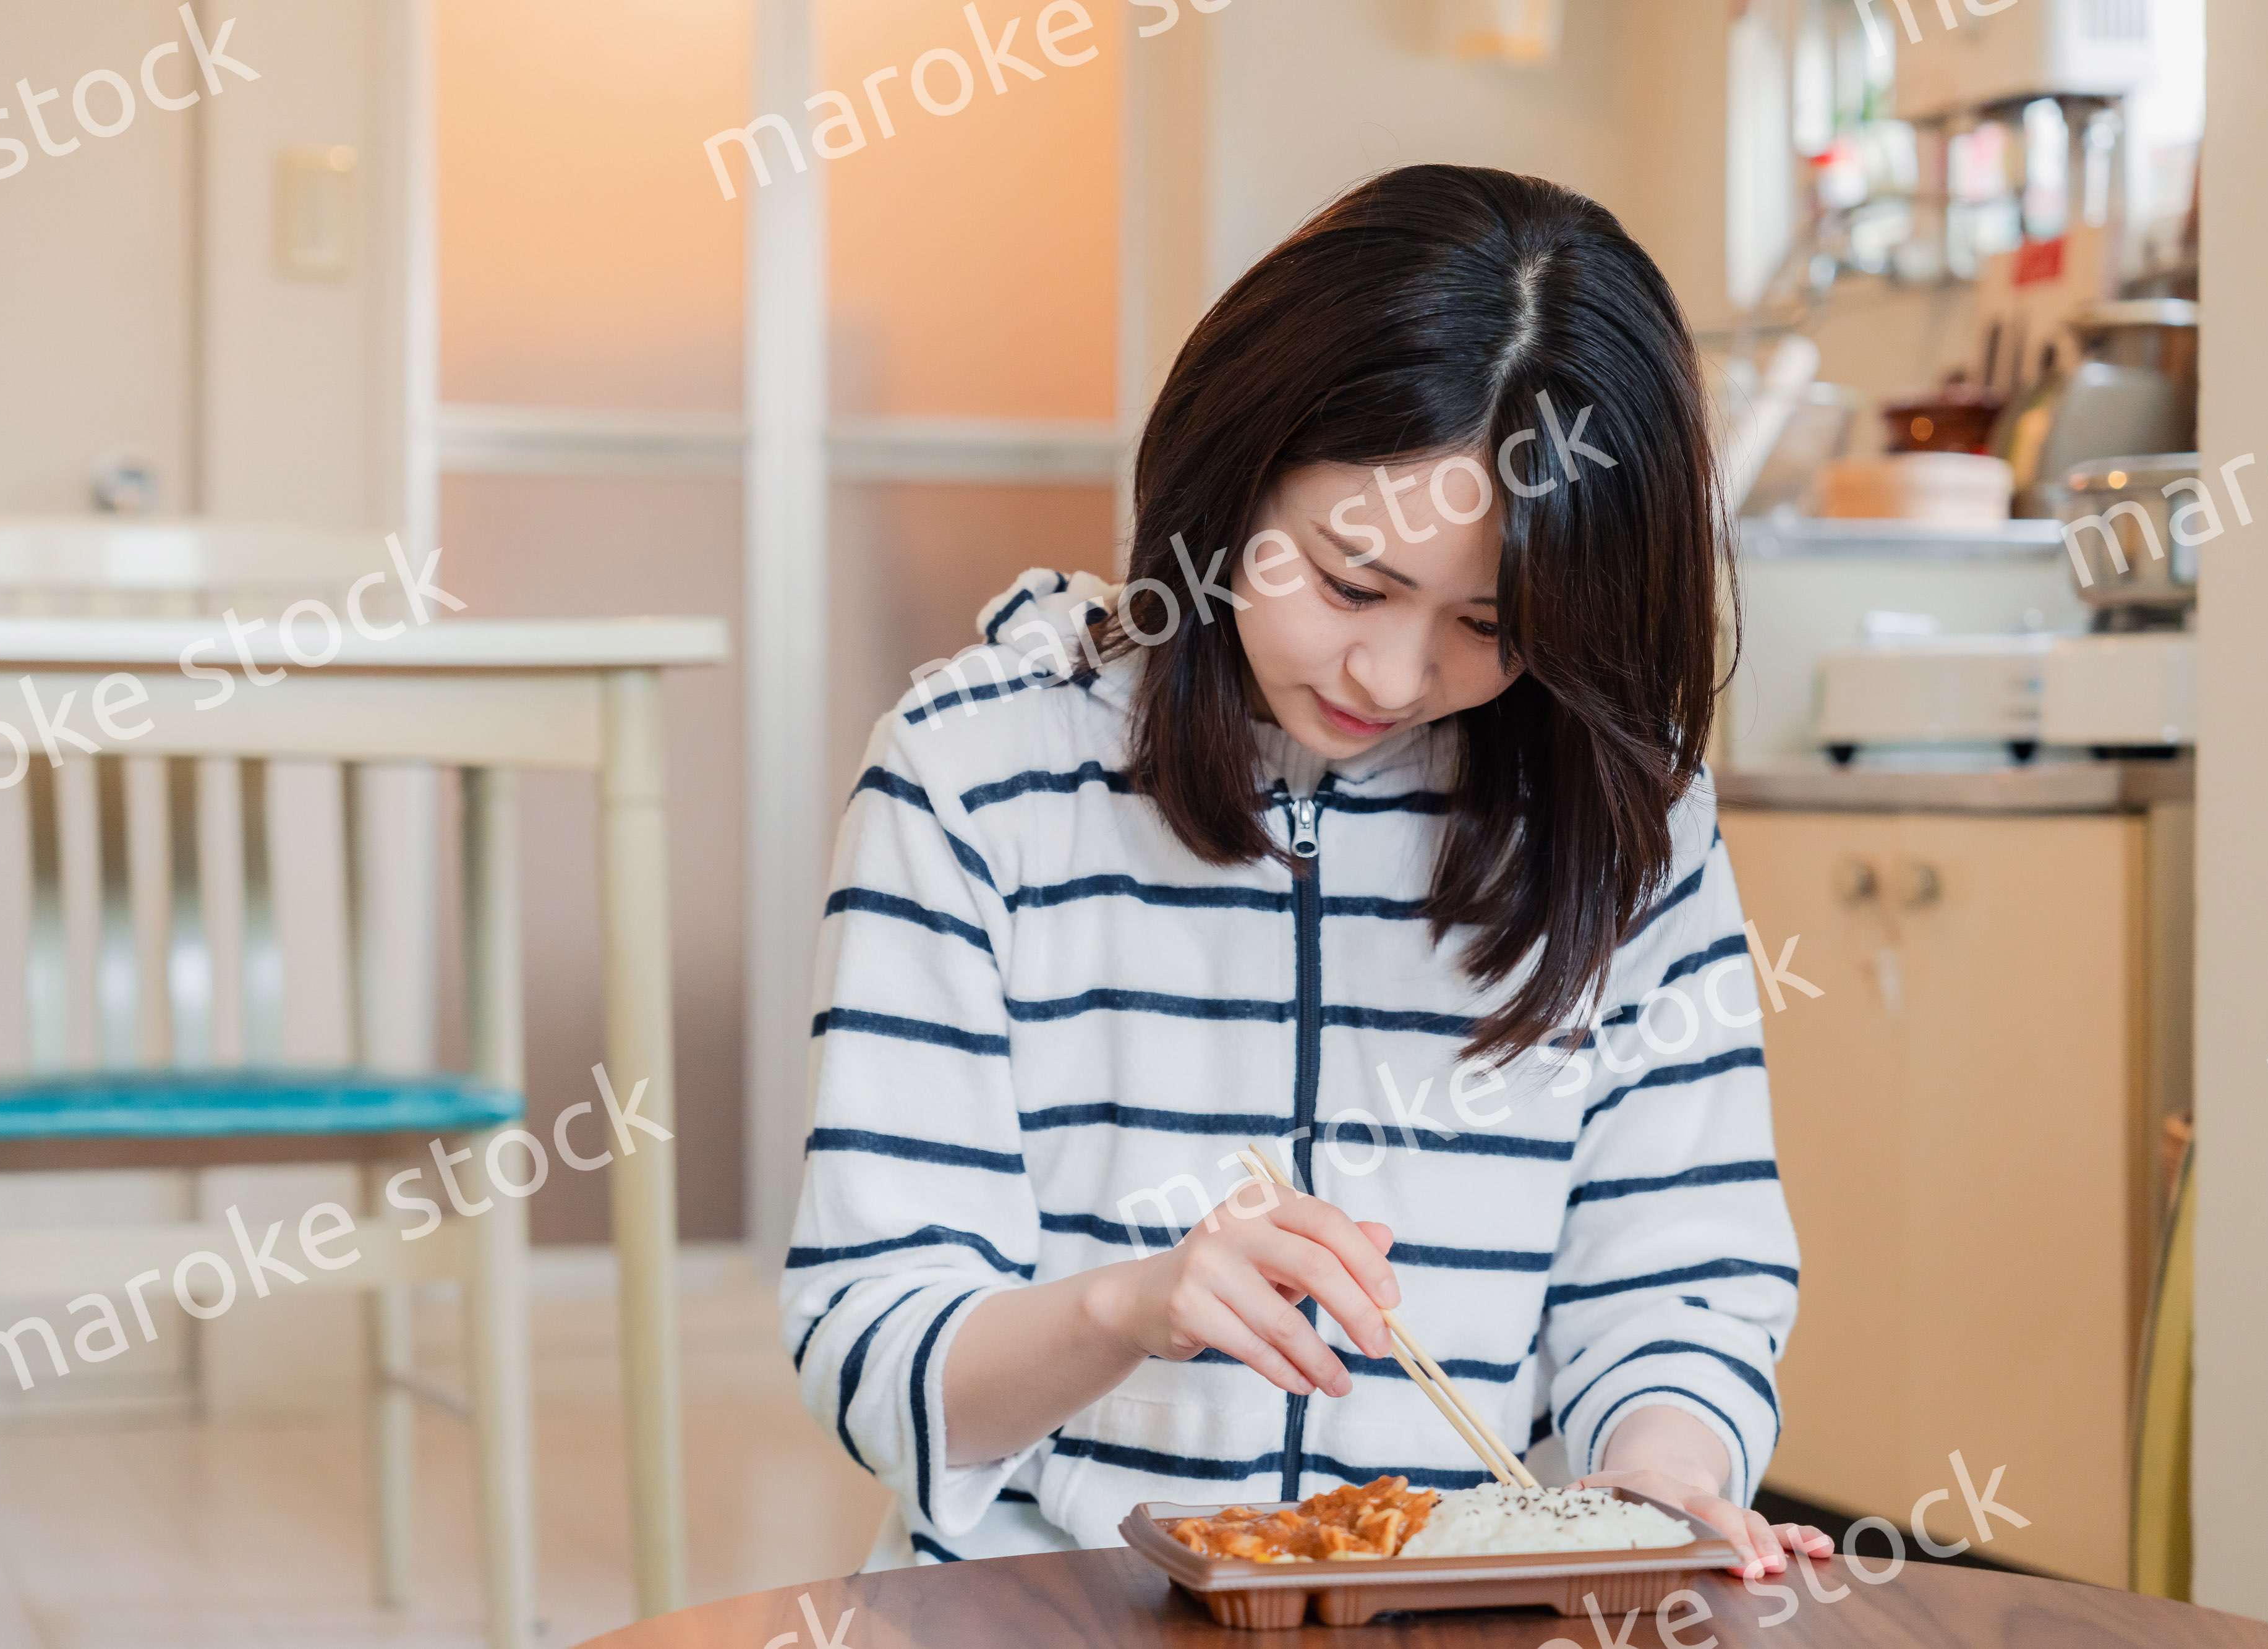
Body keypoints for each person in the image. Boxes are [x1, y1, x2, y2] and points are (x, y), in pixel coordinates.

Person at [782, 163, 1829, 1580]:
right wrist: (1128, 1308)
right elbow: (874, 1334)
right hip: (1038, 1599)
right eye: (1348, 581)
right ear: (1236, 469)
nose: (1392, 676)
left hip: (1454, 1598)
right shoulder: (976, 769)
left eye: (1490, 622)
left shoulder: (1621, 810)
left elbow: (1674, 1277)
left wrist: (1653, 1477)